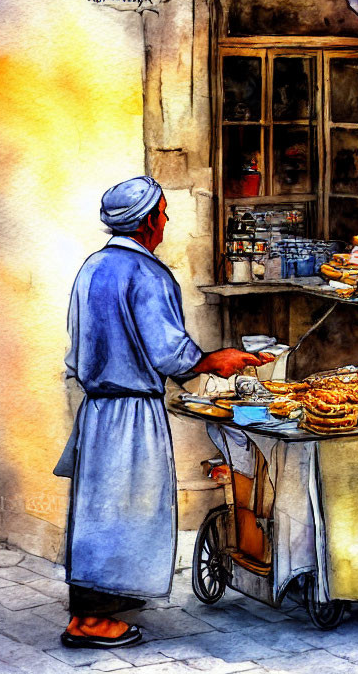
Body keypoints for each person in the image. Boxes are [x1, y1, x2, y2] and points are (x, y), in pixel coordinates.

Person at [53, 176, 260, 649]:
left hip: (99, 410)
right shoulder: (148, 275)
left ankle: (86, 616)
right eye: (162, 213)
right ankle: (97, 621)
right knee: (129, 514)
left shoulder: (92, 268)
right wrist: (217, 359)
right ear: (147, 221)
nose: (166, 220)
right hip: (132, 411)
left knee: (98, 514)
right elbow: (172, 356)